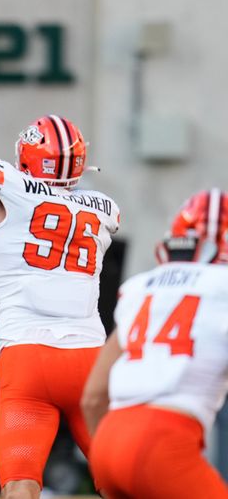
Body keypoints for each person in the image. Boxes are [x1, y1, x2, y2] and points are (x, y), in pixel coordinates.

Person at [0, 0, 120, 499]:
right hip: (89, 358)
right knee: (121, 479)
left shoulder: (5, 199)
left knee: (20, 482)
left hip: (28, 359)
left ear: (24, 157)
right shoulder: (102, 210)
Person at [81, 188, 228, 498]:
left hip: (109, 443)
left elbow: (93, 397)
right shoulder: (221, 287)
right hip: (163, 443)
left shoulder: (141, 288)